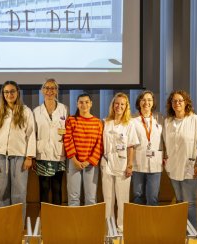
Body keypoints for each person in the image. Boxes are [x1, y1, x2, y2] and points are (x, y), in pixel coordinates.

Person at [0, 81, 36, 219]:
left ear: (17, 92)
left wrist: (29, 157)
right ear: (3, 94)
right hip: (0, 157)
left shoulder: (26, 111)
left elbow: (31, 135)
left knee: (19, 191)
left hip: (20, 157)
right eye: (6, 92)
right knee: (1, 191)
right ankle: (2, 221)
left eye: (12, 91)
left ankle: (17, 222)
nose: (9, 94)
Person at [163, 90, 197, 229]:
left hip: (189, 167)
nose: (177, 103)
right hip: (173, 167)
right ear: (170, 104)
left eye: (180, 100)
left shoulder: (194, 119)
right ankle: (181, 229)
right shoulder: (168, 121)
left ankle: (192, 232)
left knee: (189, 201)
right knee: (179, 200)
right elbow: (165, 143)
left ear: (186, 103)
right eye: (174, 101)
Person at [100, 92, 139, 232]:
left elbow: (131, 146)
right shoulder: (106, 122)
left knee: (122, 199)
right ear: (113, 105)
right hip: (107, 163)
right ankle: (109, 229)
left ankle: (121, 228)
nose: (119, 106)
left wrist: (130, 165)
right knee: (108, 199)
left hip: (123, 166)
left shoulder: (129, 124)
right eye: (117, 103)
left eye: (122, 104)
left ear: (126, 106)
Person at [33, 78, 68, 205]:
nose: (50, 91)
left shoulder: (64, 109)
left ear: (57, 91)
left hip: (59, 154)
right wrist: (31, 156)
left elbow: (67, 132)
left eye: (53, 88)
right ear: (42, 91)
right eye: (47, 88)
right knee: (44, 189)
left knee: (57, 189)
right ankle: (45, 220)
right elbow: (33, 135)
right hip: (42, 155)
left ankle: (56, 221)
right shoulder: (36, 111)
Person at [64, 93, 103, 206]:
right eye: (81, 102)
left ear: (91, 104)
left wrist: (89, 161)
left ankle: (90, 223)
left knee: (91, 199)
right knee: (73, 198)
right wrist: (74, 160)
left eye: (86, 102)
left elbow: (99, 144)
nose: (84, 104)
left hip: (90, 164)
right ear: (77, 104)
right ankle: (74, 223)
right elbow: (67, 139)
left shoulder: (97, 122)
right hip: (74, 163)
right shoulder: (71, 120)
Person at [132, 90, 163, 205]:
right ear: (139, 102)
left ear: (153, 102)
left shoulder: (159, 118)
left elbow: (164, 139)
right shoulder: (132, 120)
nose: (146, 102)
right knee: (137, 195)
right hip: (137, 163)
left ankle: (152, 222)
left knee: (153, 197)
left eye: (149, 100)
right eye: (143, 99)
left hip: (155, 163)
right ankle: (139, 221)